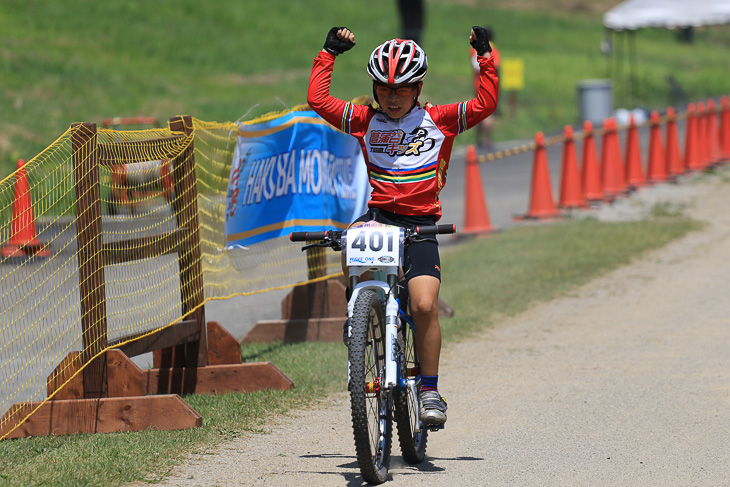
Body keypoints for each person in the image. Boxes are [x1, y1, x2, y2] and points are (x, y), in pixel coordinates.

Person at [307, 26, 498, 427]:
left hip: (421, 225)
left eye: (403, 89)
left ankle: (429, 390)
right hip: (379, 216)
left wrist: (484, 55)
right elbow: (318, 99)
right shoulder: (364, 121)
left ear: (418, 87)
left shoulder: (440, 120)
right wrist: (328, 53)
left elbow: (485, 102)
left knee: (425, 305)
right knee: (349, 245)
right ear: (375, 90)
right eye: (385, 89)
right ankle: (359, 318)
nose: (393, 98)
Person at [471, 27, 500, 150]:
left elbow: (474, 66)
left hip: (477, 84)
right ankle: (487, 140)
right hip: (488, 85)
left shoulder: (473, 50)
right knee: (489, 114)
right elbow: (496, 68)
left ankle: (478, 139)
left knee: (477, 112)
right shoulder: (493, 50)